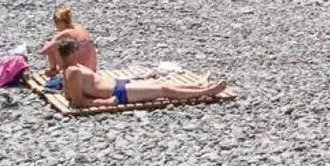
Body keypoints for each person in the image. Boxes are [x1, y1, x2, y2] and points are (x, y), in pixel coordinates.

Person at [60, 60, 228, 110]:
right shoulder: (72, 72)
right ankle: (206, 91)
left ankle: (198, 86)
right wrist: (105, 102)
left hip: (119, 85)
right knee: (164, 90)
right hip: (119, 93)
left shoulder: (72, 68)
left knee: (161, 82)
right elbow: (78, 101)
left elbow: (70, 94)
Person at [43, 5, 99, 85]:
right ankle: (56, 71)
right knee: (66, 47)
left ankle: (52, 71)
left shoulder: (65, 33)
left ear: (60, 22)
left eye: (56, 22)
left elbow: (46, 50)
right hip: (91, 69)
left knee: (52, 47)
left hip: (78, 73)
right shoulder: (78, 27)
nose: (55, 25)